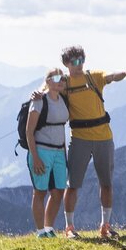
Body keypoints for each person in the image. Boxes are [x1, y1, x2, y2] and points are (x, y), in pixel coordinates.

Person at [58, 45, 126, 239]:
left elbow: (111, 76)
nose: (79, 65)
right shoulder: (64, 83)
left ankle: (105, 226)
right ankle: (69, 228)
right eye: (74, 62)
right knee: (73, 184)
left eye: (81, 60)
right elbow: (47, 88)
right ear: (66, 64)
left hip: (104, 137)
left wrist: (125, 72)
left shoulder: (93, 77)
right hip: (79, 138)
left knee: (107, 183)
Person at [24, 70, 71, 238]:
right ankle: (40, 231)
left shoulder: (63, 100)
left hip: (59, 152)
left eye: (63, 79)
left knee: (58, 191)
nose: (61, 81)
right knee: (40, 191)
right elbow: (29, 131)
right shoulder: (39, 101)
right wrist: (35, 157)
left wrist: (64, 157)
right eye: (57, 78)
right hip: (42, 151)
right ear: (48, 81)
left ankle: (49, 227)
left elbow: (62, 129)